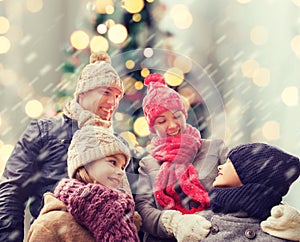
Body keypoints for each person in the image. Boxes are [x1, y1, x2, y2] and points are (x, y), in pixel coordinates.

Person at [0, 52, 133, 242]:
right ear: (83, 92)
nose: (112, 102)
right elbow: (11, 192)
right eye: (105, 92)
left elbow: (135, 205)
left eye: (117, 95)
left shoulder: (119, 146)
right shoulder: (44, 132)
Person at [135, 73, 228, 242]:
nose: (172, 125)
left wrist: (208, 222)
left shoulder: (214, 148)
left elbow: (238, 187)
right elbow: (143, 209)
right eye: (162, 121)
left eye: (176, 116)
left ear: (184, 115)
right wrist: (176, 224)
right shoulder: (148, 164)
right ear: (152, 127)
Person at [27, 125, 140, 242]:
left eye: (122, 167)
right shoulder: (50, 225)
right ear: (85, 164)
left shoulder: (125, 220)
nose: (121, 173)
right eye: (113, 162)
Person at [184, 142, 300, 241]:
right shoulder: (197, 223)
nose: (220, 167)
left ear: (252, 175)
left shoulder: (281, 230)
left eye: (229, 163)